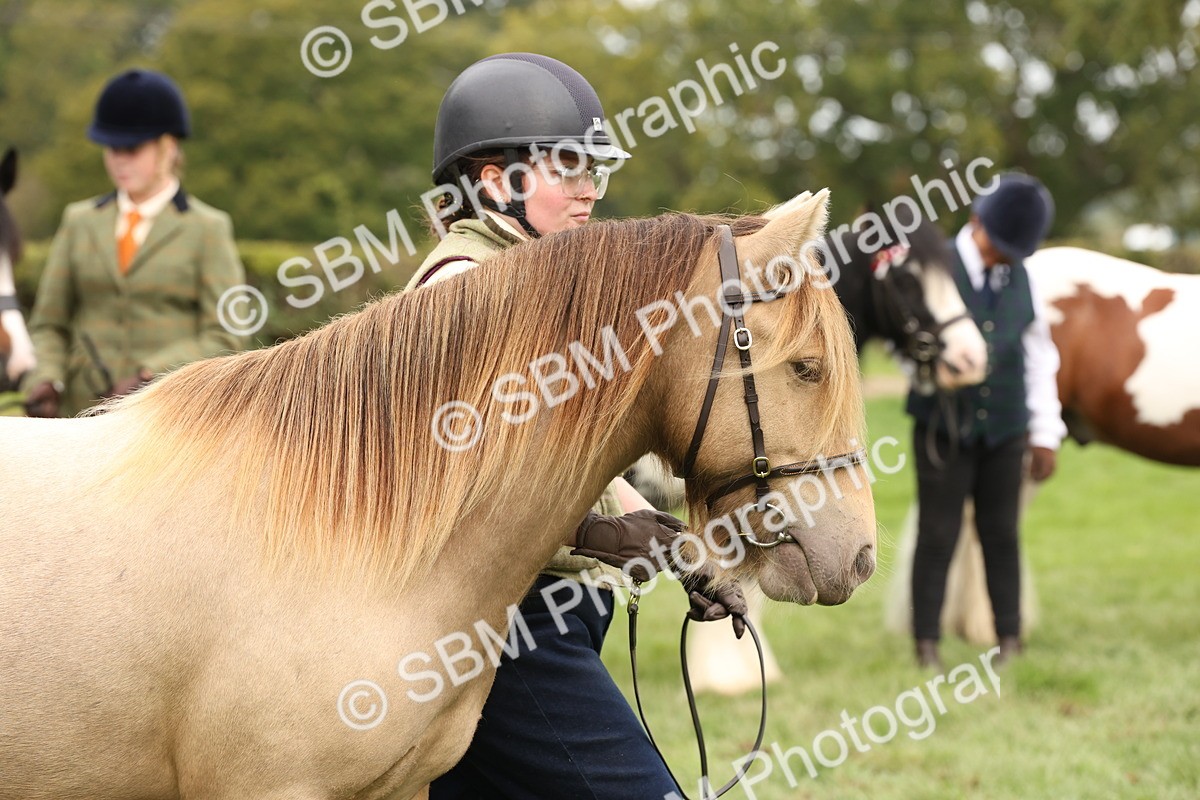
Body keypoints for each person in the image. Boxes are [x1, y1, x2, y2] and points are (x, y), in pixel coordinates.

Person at [409, 53, 746, 799]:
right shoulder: (462, 290)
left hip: (548, 617)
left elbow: (563, 462)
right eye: (568, 164)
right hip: (507, 632)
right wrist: (595, 538)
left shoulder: (532, 279)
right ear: (495, 179)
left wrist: (674, 544)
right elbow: (454, 480)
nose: (591, 185)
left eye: (597, 166)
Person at [907, 173, 1067, 669]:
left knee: (1002, 533)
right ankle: (926, 642)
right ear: (976, 222)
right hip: (943, 429)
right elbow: (903, 344)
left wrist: (1045, 433)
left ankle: (1010, 638)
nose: (1006, 258)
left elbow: (1039, 356)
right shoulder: (934, 269)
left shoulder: (1023, 276)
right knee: (938, 533)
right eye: (999, 246)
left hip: (1006, 427)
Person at [22, 69, 245, 418]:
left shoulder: (208, 228)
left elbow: (226, 336)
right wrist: (46, 378)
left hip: (168, 418)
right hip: (81, 419)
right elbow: (50, 325)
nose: (119, 159)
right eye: (111, 148)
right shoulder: (78, 221)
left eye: (131, 148)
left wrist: (150, 374)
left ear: (168, 147)